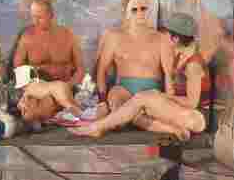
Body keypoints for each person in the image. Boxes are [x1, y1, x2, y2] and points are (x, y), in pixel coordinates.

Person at [70, 13, 210, 141]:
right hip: (180, 111)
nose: (161, 36)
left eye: (165, 34)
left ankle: (96, 127)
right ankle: (176, 130)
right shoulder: (180, 55)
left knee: (141, 99)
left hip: (195, 118)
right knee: (133, 109)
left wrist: (161, 96)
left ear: (175, 39)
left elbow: (192, 103)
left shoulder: (193, 65)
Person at [95, 0, 173, 117]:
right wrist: (102, 101)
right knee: (116, 104)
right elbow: (101, 71)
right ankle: (126, 117)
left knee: (141, 113)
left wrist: (169, 102)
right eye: (134, 10)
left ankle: (136, 118)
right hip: (123, 89)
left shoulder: (161, 38)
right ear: (127, 14)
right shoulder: (114, 37)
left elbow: (169, 75)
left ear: (149, 12)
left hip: (151, 90)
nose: (140, 13)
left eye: (143, 8)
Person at [13, 0, 85, 86]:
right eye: (33, 17)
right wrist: (29, 88)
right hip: (37, 87)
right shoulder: (27, 37)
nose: (35, 22)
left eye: (39, 18)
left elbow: (80, 69)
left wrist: (69, 86)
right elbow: (18, 68)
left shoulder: (68, 36)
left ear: (51, 15)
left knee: (60, 91)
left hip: (64, 85)